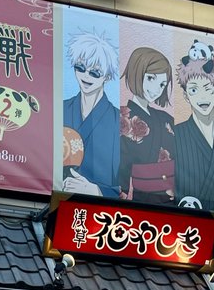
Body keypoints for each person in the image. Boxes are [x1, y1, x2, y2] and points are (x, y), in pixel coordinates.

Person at [62, 32, 120, 197]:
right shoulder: (61, 109)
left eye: (95, 72)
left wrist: (97, 190)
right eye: (80, 68)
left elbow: (129, 183)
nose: (86, 76)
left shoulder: (119, 122)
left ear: (107, 76)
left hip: (102, 213)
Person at [118, 46, 175, 204]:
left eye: (162, 84)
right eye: (151, 78)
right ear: (137, 72)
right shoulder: (121, 118)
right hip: (138, 200)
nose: (156, 88)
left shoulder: (166, 119)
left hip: (171, 201)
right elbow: (120, 168)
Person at [172, 49, 214, 212]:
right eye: (194, 90)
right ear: (186, 95)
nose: (202, 97)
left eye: (208, 88)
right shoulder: (175, 135)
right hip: (182, 221)